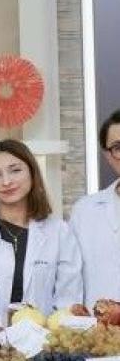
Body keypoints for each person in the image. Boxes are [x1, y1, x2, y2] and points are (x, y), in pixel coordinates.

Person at [0, 139, 83, 317]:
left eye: (15, 170)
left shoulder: (59, 232)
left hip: (45, 333)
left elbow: (68, 301)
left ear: (32, 172)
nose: (6, 181)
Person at [70, 109, 120, 309]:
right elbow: (70, 277)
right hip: (97, 325)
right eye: (118, 147)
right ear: (108, 155)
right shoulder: (85, 210)